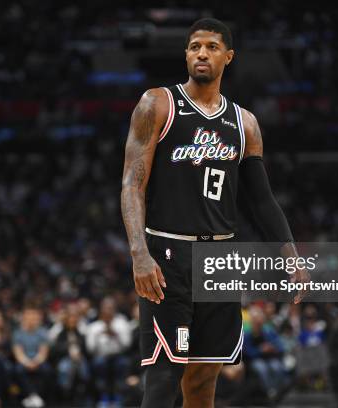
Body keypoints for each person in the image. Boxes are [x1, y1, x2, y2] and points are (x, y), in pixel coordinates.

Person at [120, 17, 308, 407]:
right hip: (168, 256)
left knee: (205, 376)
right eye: (194, 46)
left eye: (210, 46)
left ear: (228, 56)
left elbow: (261, 200)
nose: (201, 53)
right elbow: (131, 184)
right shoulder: (157, 103)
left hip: (220, 260)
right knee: (162, 378)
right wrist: (139, 252)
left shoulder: (245, 123)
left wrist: (289, 255)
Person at [85, 297, 131, 406]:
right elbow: (90, 349)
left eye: (110, 308)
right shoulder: (94, 327)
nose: (108, 311)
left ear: (114, 309)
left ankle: (118, 398)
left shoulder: (122, 323)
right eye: (106, 308)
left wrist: (115, 334)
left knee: (123, 364)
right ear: (101, 310)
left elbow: (127, 345)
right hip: (101, 357)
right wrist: (98, 335)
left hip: (118, 356)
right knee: (99, 364)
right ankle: (103, 398)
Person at [12, 305, 51, 408]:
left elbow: (43, 352)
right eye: (29, 317)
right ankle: (32, 396)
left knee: (46, 370)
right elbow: (18, 352)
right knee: (18, 370)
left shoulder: (42, 332)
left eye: (34, 318)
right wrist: (27, 363)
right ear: (24, 318)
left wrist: (36, 362)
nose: (31, 320)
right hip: (24, 361)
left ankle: (35, 397)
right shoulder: (18, 333)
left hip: (38, 361)